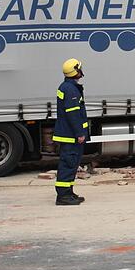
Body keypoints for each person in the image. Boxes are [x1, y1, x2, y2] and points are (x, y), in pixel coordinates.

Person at [54, 58, 89, 206]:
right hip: (70, 136)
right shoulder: (70, 89)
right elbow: (73, 114)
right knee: (68, 164)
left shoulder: (67, 87)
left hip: (69, 134)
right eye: (79, 68)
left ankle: (68, 192)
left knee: (72, 164)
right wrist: (79, 133)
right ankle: (63, 196)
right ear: (76, 71)